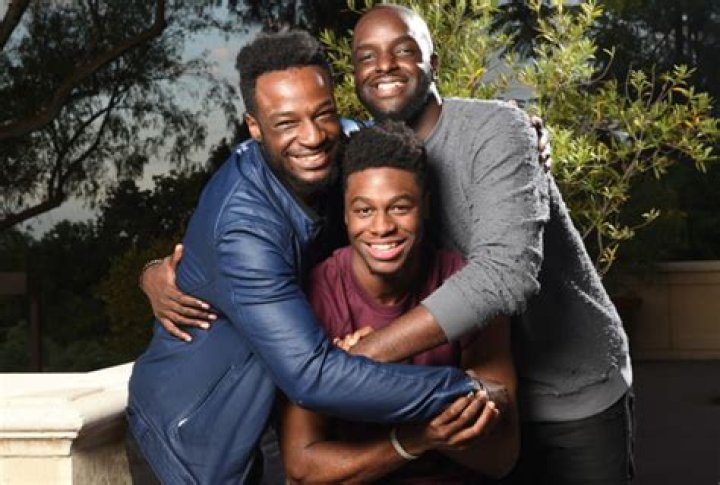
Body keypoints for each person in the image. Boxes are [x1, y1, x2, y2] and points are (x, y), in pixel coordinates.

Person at [144, 4, 634, 484]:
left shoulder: (397, 143)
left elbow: (505, 275)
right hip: (194, 440)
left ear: (432, 62)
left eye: (403, 50)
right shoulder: (296, 196)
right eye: (368, 56)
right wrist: (155, 274)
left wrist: (364, 355)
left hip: (567, 393)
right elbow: (235, 235)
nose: (311, 136)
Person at [127, 30, 487, 484]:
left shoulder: (347, 147)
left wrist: (511, 137)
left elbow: (415, 155)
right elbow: (311, 375)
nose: (313, 136)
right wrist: (464, 389)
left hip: (276, 417)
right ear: (254, 126)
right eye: (286, 123)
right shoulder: (243, 227)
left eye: (323, 114)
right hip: (192, 441)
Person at [281, 120, 519, 484]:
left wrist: (372, 372)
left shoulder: (467, 286)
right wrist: (417, 437)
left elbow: (500, 457)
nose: (381, 227)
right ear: (344, 214)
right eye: (364, 210)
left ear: (425, 206)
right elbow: (301, 468)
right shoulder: (317, 293)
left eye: (400, 207)